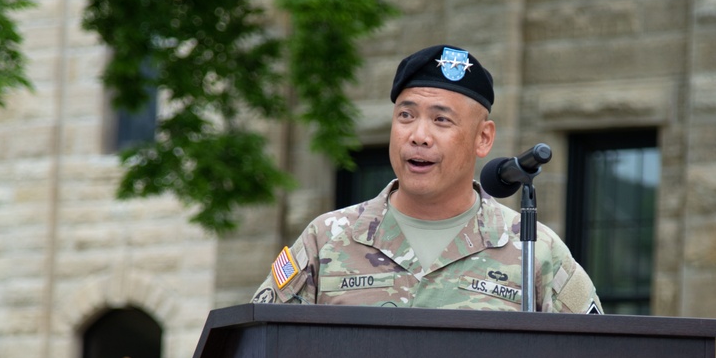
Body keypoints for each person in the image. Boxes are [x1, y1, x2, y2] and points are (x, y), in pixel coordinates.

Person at [252, 44, 603, 313]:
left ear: (483, 138)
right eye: (406, 115)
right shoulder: (327, 239)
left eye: (441, 120)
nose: (419, 135)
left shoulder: (533, 249)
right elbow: (260, 348)